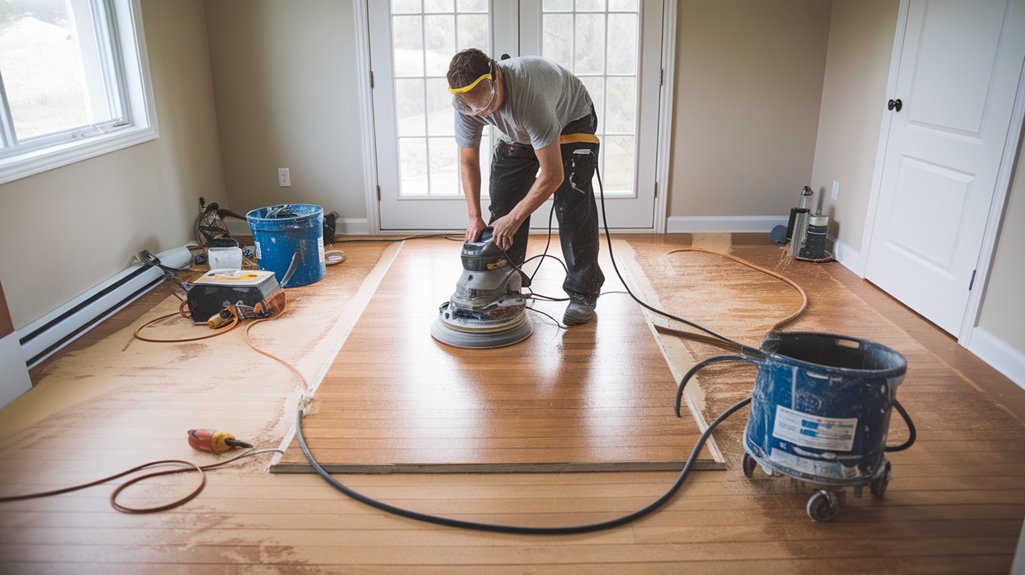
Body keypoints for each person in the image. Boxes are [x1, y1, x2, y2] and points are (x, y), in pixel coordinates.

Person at [447, 48, 604, 326]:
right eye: (473, 109)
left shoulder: (530, 96)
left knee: (571, 202)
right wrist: (474, 216)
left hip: (570, 119)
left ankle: (583, 292)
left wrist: (516, 218)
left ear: (496, 77)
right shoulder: (466, 104)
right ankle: (506, 277)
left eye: (485, 105)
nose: (481, 114)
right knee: (504, 201)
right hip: (519, 129)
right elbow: (468, 162)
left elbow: (552, 175)